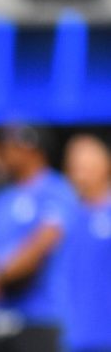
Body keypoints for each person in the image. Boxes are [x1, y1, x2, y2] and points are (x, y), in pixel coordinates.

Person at [0, 124, 77, 352]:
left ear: (31, 148)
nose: (5, 152)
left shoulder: (56, 190)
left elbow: (43, 243)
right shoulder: (0, 199)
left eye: (11, 146)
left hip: (42, 318)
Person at [62, 134, 111, 352]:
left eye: (86, 166)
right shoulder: (65, 217)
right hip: (72, 336)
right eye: (74, 166)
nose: (80, 174)